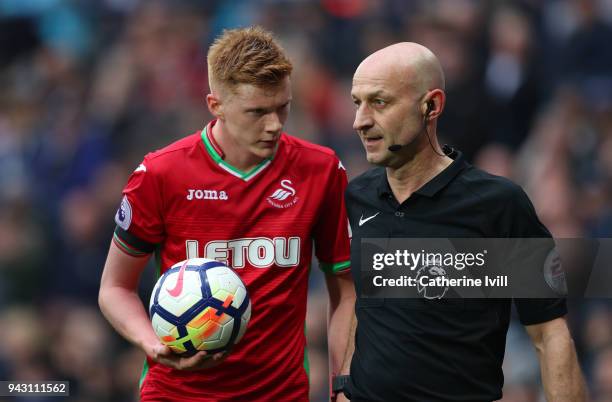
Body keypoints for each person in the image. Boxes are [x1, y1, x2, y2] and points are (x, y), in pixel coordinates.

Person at [98, 26, 355, 402]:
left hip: (279, 394)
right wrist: (152, 344)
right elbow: (114, 288)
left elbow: (345, 290)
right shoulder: (161, 174)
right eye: (257, 112)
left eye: (283, 107)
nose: (274, 125)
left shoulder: (321, 170)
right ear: (215, 104)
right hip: (176, 393)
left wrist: (342, 384)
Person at [333, 42, 587, 402]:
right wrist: (344, 385)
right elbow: (365, 302)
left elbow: (550, 335)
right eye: (357, 103)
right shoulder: (358, 197)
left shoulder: (499, 205)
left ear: (431, 106)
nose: (360, 121)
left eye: (380, 102)